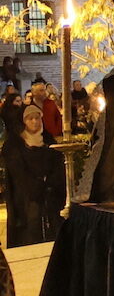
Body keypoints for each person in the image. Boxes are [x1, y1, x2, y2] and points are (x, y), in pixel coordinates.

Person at [2, 105, 66, 247]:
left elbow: (58, 164)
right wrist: (35, 187)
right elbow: (17, 172)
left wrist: (50, 184)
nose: (34, 122)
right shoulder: (14, 145)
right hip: (26, 199)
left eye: (37, 118)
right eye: (30, 119)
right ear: (23, 121)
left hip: (48, 197)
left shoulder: (48, 141)